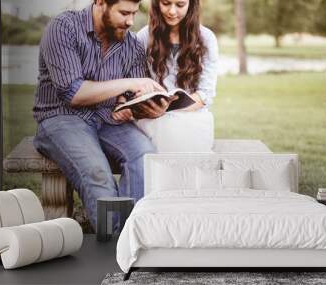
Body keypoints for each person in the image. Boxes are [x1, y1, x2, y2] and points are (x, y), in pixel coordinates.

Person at [32, 0, 172, 230]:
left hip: (109, 118)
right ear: (100, 3)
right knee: (97, 173)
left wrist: (144, 108)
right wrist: (130, 82)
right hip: (62, 117)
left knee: (144, 156)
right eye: (124, 13)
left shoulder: (132, 45)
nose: (130, 21)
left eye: (134, 13)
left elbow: (129, 96)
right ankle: (113, 248)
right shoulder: (63, 27)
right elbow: (73, 92)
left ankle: (135, 238)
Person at [135, 0, 219, 152]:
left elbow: (204, 94)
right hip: (153, 118)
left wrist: (169, 109)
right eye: (166, 3)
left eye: (180, 5)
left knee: (178, 132)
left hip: (193, 115)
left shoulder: (207, 38)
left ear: (191, 5)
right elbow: (137, 85)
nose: (172, 11)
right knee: (166, 130)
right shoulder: (143, 37)